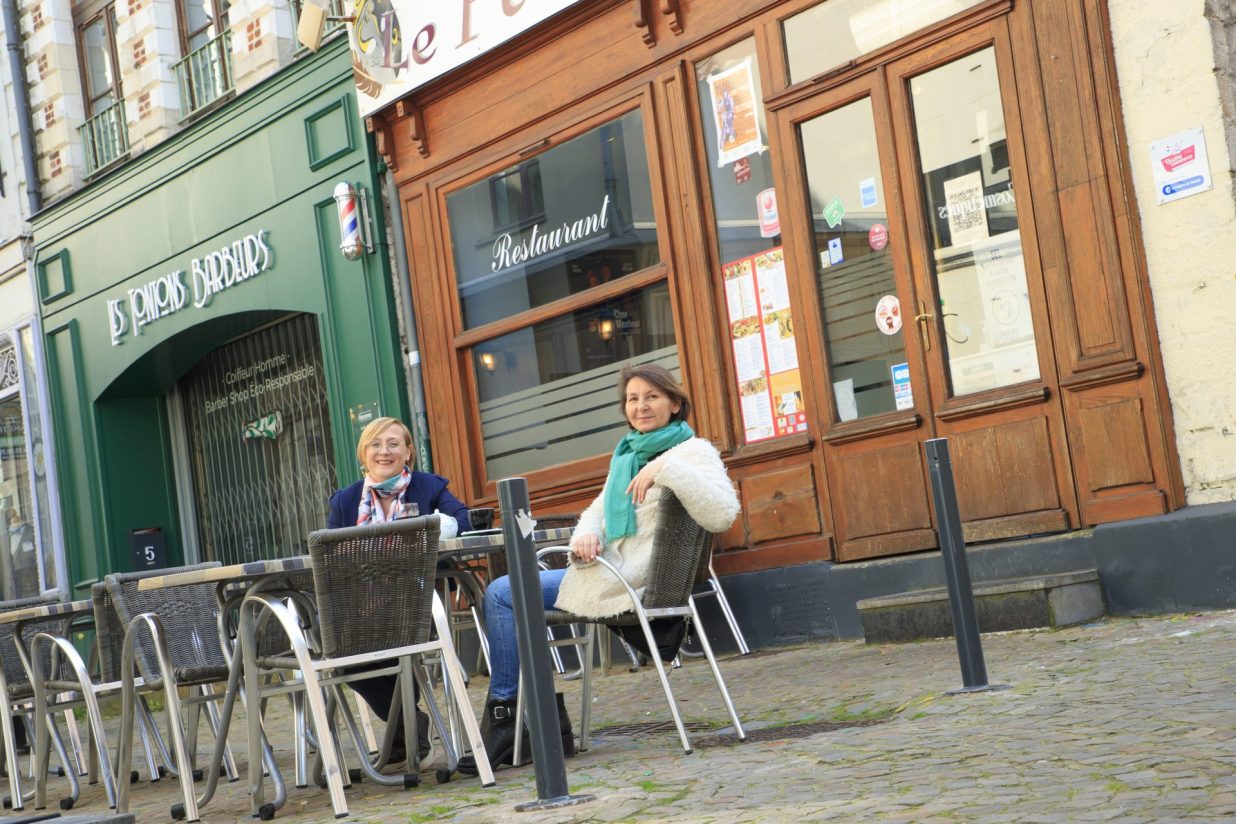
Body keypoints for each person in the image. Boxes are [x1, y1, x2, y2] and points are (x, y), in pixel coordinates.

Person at [459, 364, 740, 775]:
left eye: (651, 397)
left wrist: (665, 469)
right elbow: (597, 511)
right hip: (608, 570)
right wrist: (585, 536)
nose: (641, 406)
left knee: (503, 592)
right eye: (633, 399)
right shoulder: (628, 453)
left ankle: (508, 718)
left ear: (675, 403)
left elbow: (722, 514)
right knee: (508, 590)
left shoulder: (693, 453)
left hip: (631, 581)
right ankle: (540, 722)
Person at [326, 416, 473, 763]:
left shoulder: (428, 488)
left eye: (393, 443)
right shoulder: (345, 502)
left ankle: (404, 731)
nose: (384, 451)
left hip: (415, 604)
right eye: (375, 444)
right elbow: (331, 558)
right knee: (341, 656)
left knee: (390, 647)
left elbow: (466, 521)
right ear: (364, 454)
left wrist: (430, 525)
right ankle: (409, 722)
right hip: (360, 609)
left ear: (409, 451)